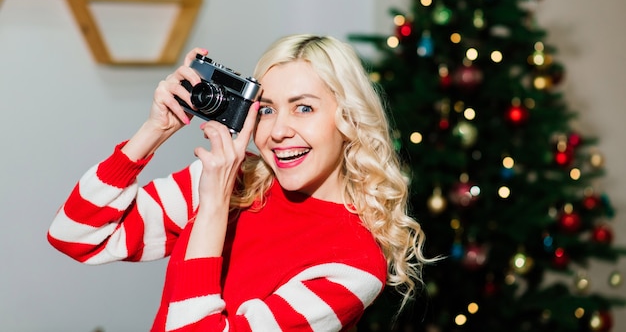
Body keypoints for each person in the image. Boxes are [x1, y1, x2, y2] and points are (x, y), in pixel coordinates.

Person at [48, 34, 430, 331]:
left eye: (304, 107)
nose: (279, 131)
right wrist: (153, 131)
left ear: (348, 119)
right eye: (266, 110)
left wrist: (213, 207)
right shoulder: (235, 179)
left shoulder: (354, 264)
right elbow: (75, 235)